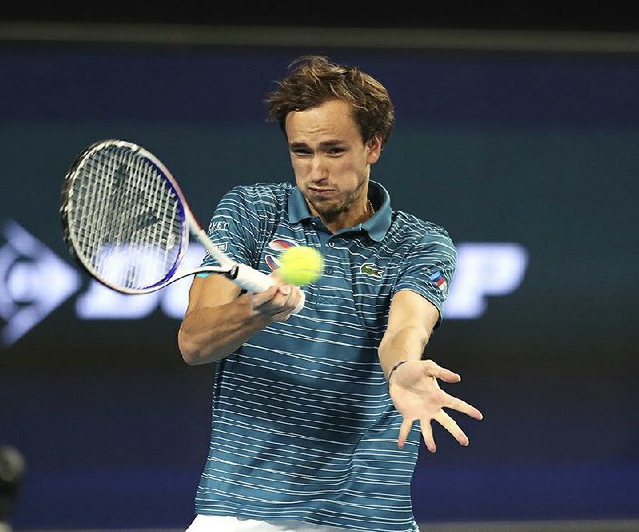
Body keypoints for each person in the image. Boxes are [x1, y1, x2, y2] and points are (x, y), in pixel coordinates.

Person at [177, 55, 483, 532]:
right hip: (243, 510)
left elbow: (405, 328)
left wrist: (402, 371)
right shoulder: (251, 211)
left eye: (334, 151)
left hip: (367, 515)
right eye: (301, 151)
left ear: (373, 146)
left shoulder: (421, 244)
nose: (316, 170)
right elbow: (194, 343)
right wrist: (255, 311)